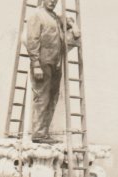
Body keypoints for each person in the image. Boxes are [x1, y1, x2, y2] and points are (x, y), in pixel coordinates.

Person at [26, 0, 80, 144]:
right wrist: (36, 63)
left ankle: (44, 132)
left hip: (55, 63)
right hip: (42, 63)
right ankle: (38, 133)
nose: (52, 2)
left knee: (52, 96)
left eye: (55, 0)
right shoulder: (37, 15)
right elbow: (32, 40)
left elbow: (71, 25)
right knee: (42, 97)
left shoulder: (55, 17)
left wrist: (73, 25)